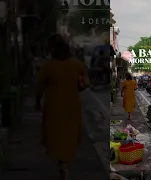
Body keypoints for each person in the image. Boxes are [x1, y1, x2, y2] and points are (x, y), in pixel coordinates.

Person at [35, 34, 89, 180]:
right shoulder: (76, 64)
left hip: (53, 107)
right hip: (71, 106)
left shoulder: (48, 66)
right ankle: (65, 166)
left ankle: (62, 165)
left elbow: (39, 87)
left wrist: (37, 102)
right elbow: (84, 84)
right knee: (69, 138)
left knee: (57, 137)